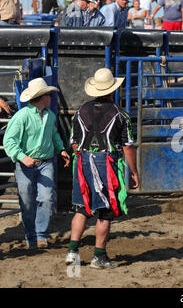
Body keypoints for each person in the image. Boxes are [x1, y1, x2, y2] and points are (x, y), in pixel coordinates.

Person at [66, 68, 139, 269]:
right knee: (105, 211)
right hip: (106, 163)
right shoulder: (120, 115)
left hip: (82, 162)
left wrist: (83, 158)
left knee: (81, 208)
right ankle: (99, 256)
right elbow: (128, 146)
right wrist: (133, 172)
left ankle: (72, 252)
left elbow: (73, 142)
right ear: (112, 90)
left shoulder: (80, 111)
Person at [3, 78, 70, 249]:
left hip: (45, 162)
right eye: (49, 94)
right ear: (42, 97)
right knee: (26, 202)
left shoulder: (50, 115)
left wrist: (61, 149)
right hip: (25, 164)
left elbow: (53, 134)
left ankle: (40, 234)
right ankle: (31, 235)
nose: (51, 97)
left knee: (46, 198)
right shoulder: (22, 116)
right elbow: (9, 141)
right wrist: (22, 156)